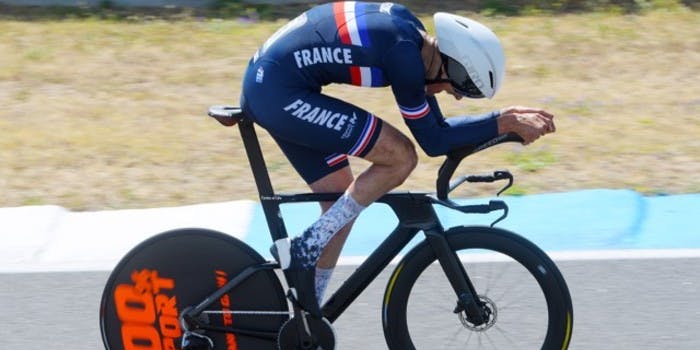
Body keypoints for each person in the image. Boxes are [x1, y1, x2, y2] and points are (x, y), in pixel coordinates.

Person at [240, 1, 555, 318]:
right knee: (400, 156)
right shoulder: (404, 56)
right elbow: (433, 141)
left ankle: (307, 317)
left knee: (341, 201)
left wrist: (505, 117)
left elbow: (439, 129)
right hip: (279, 92)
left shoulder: (413, 38)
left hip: (271, 85)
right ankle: (306, 247)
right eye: (464, 87)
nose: (457, 96)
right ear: (450, 65)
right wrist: (502, 123)